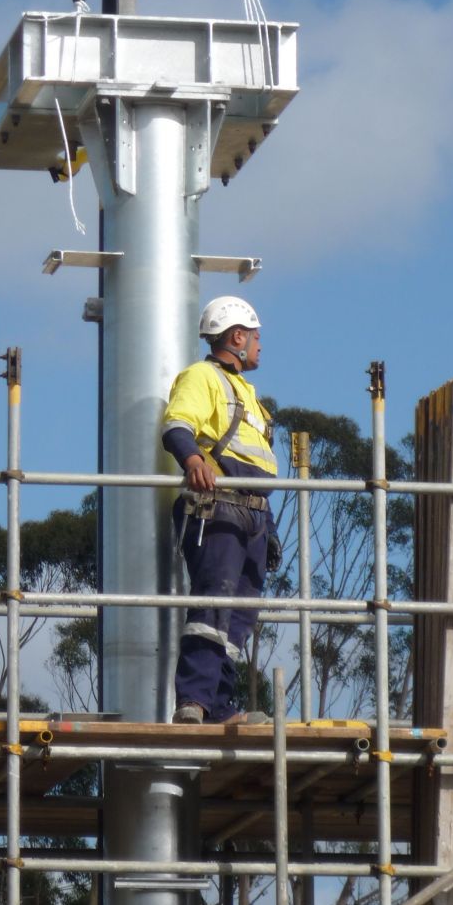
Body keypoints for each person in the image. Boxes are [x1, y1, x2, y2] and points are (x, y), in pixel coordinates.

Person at [162, 295, 282, 724]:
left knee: (239, 619)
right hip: (220, 507)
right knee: (213, 606)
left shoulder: (247, 394)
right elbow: (177, 425)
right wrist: (192, 460)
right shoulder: (202, 377)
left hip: (253, 513)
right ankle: (193, 701)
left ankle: (218, 705)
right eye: (255, 337)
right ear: (237, 337)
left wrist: (268, 527)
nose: (260, 346)